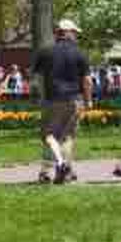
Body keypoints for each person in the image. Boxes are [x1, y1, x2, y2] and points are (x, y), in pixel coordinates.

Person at [33, 17, 91, 183]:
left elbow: (38, 79)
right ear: (68, 33)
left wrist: (42, 97)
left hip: (51, 99)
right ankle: (65, 170)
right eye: (75, 33)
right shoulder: (80, 53)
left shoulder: (45, 52)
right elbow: (87, 81)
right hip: (73, 99)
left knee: (49, 136)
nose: (76, 36)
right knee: (67, 137)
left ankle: (47, 172)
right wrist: (88, 100)